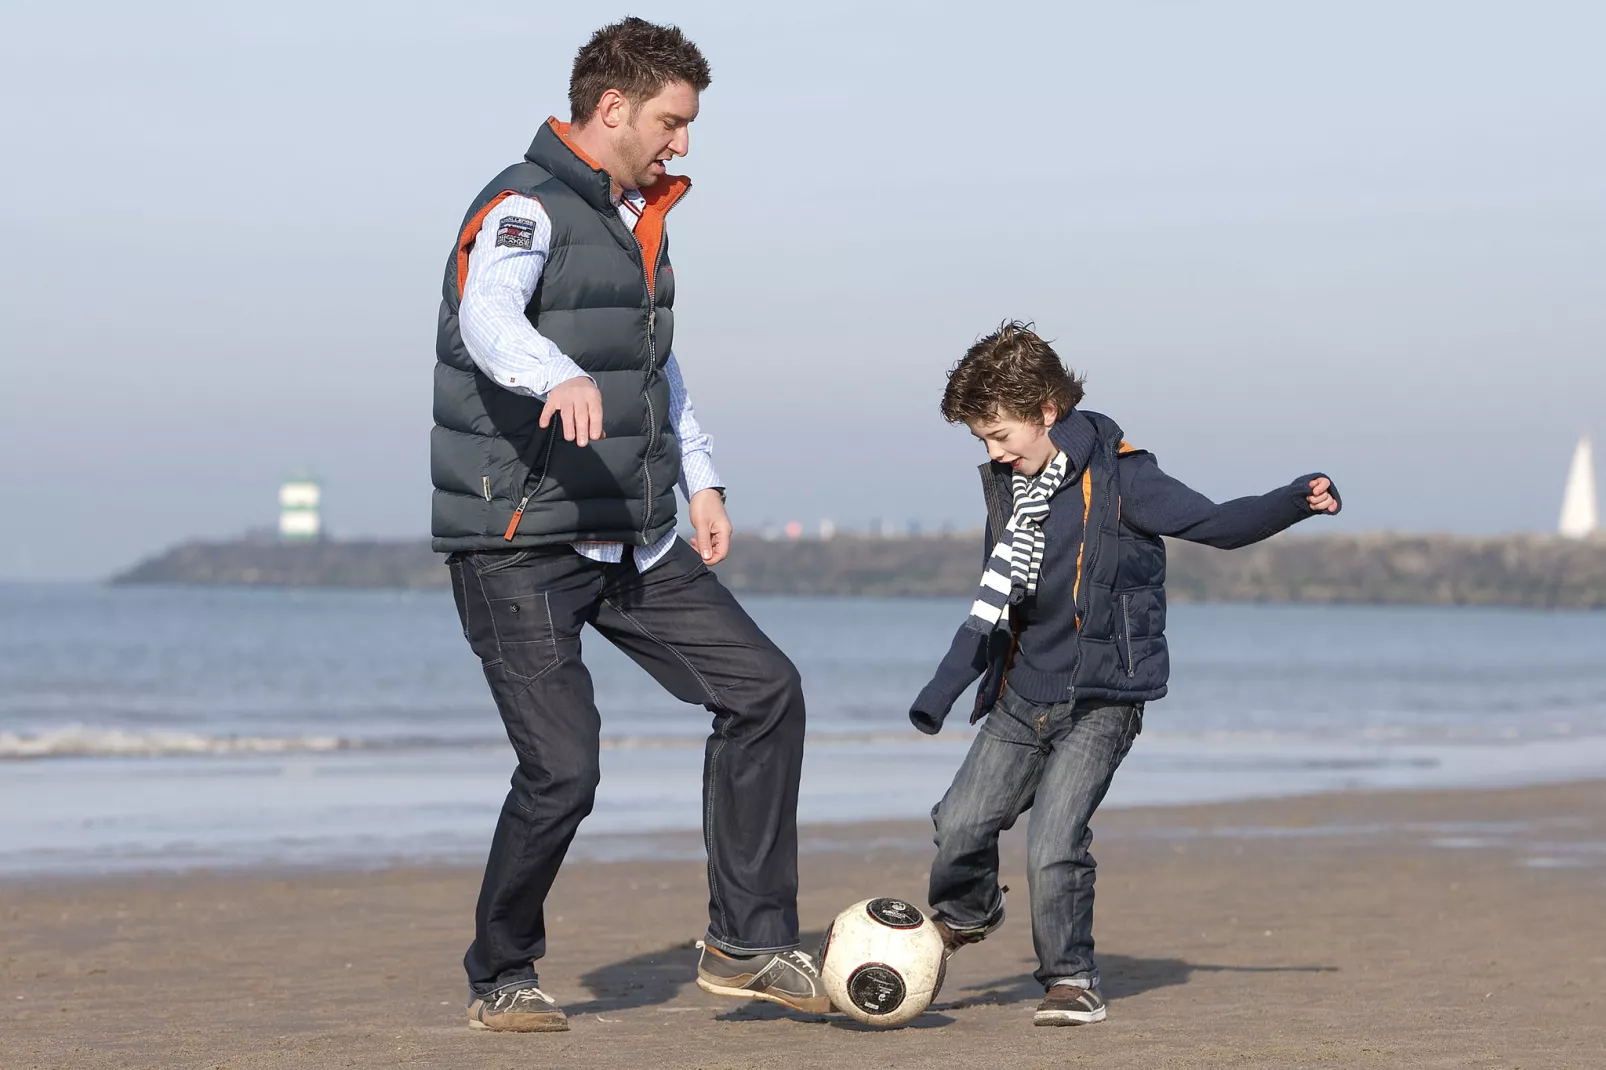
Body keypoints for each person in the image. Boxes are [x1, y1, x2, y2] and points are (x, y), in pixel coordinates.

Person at [432, 18, 826, 1032]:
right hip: (519, 539)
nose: (682, 143)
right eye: (671, 121)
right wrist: (554, 374)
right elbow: (488, 320)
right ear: (613, 108)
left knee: (763, 691)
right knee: (563, 769)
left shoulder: (634, 218)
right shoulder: (524, 205)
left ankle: (746, 937)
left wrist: (702, 478)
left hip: (633, 528)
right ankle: (502, 968)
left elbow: (656, 364)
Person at [909, 322, 1341, 1027]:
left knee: (1055, 842)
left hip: (1103, 699)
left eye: (1001, 435)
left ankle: (1071, 979)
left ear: (1047, 410)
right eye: (982, 440)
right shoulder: (1009, 482)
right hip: (1023, 692)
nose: (993, 454)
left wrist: (1296, 499)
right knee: (959, 822)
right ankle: (970, 910)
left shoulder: (1123, 477)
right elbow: (1003, 588)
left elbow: (1217, 524)